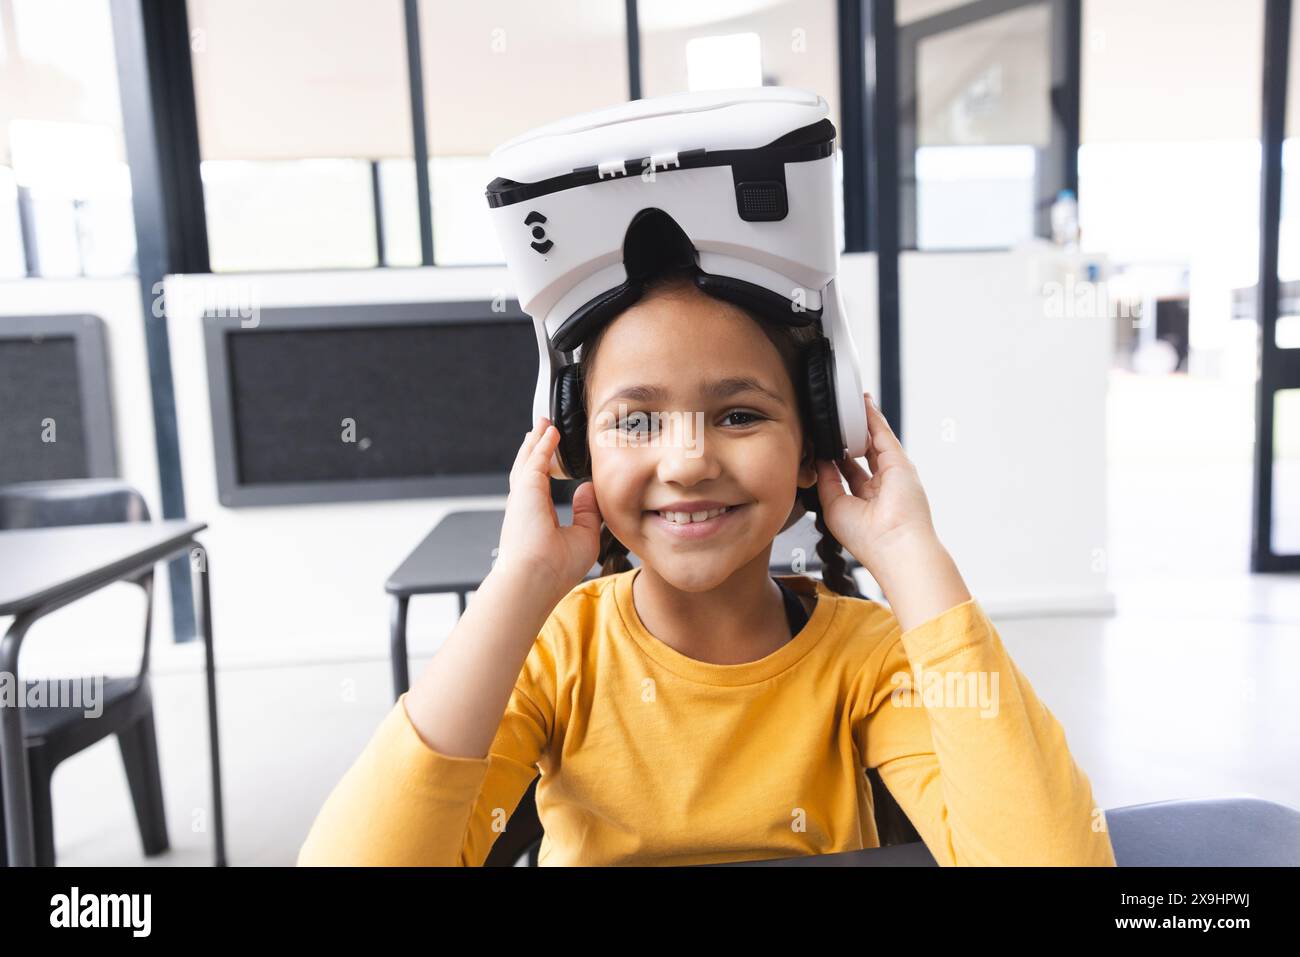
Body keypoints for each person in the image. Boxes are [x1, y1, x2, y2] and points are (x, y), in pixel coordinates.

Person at [297, 265, 1117, 867]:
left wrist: (910, 551)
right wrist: (516, 585)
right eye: (637, 420)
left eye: (738, 413)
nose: (687, 460)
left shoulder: (868, 659)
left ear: (813, 445)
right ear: (578, 450)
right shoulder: (554, 652)